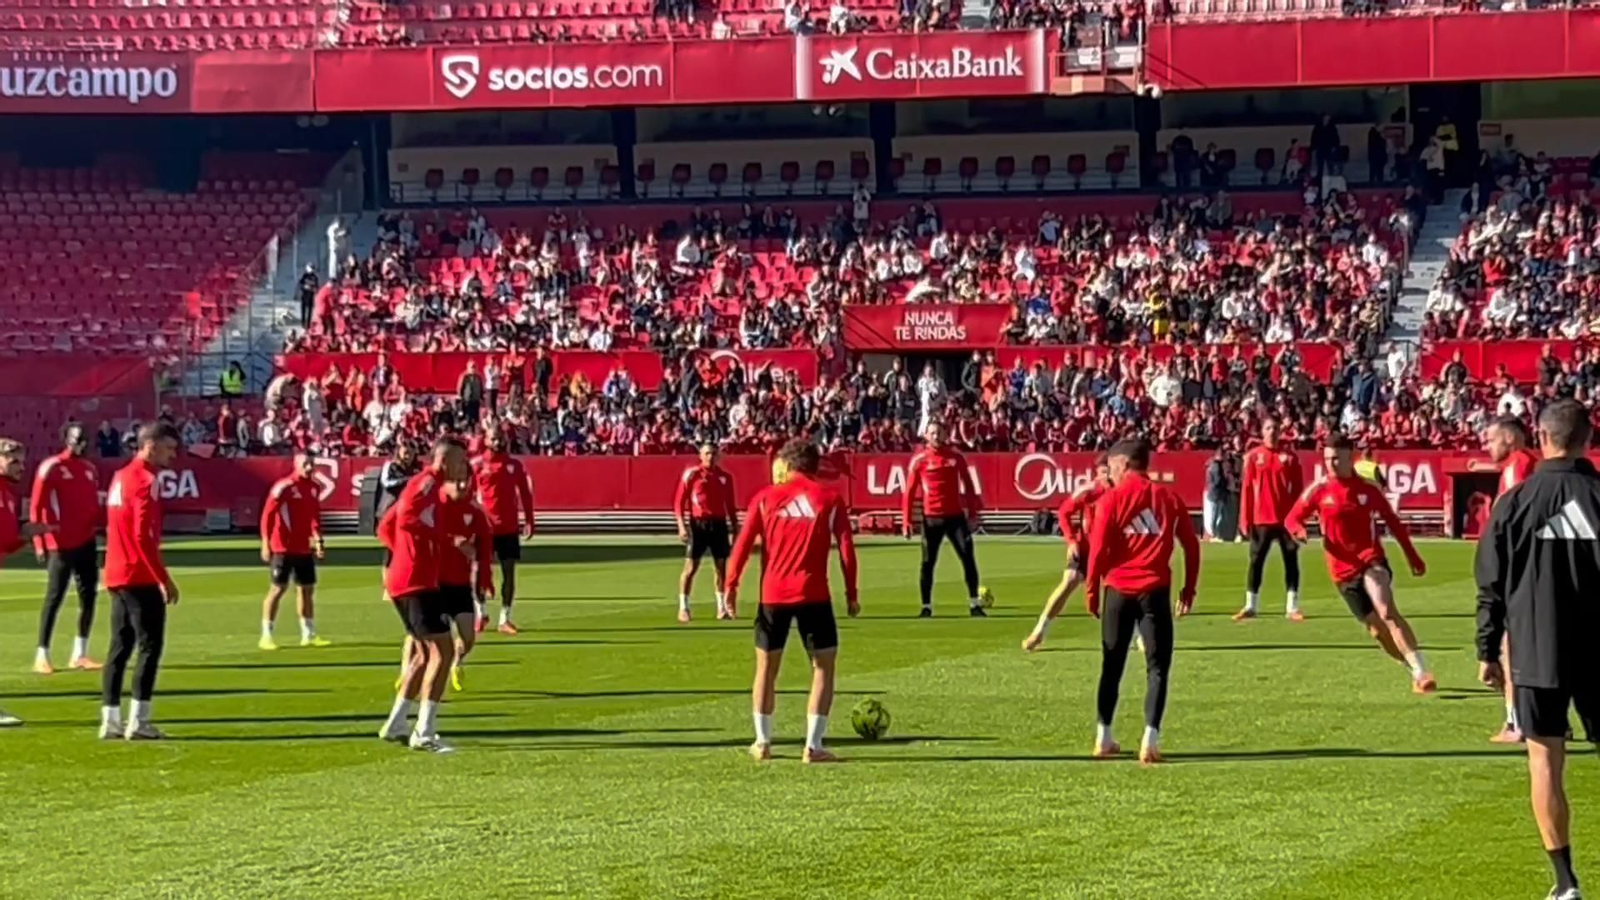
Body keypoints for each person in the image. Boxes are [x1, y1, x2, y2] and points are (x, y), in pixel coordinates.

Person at [1475, 399, 1600, 900]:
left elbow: (1490, 582)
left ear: (1542, 439)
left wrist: (1487, 649)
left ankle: (1565, 882)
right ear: (1588, 441)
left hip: (1534, 652)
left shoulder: (1514, 502)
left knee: (1544, 762)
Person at [724, 439, 859, 763]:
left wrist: (730, 586)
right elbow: (846, 551)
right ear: (815, 466)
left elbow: (741, 546)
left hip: (772, 595)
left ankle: (762, 742)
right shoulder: (830, 499)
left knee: (766, 668)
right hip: (814, 594)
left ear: (787, 464)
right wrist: (851, 592)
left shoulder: (765, 498)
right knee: (823, 666)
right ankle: (813, 746)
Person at [1285, 436, 1435, 694]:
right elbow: (1291, 518)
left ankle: (1422, 670)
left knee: (1386, 610)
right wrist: (1299, 530)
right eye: (1328, 458)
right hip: (1341, 570)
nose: (1332, 463)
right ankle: (1410, 667)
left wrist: (1412, 556)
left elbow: (1393, 523)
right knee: (1376, 630)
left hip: (1370, 559)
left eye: (1337, 458)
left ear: (1350, 456)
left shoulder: (1368, 489)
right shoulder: (1319, 489)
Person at [1084, 438, 1200, 765]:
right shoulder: (1168, 498)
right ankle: (1150, 738)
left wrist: (1091, 590)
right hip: (1155, 591)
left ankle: (1103, 737)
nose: (1111, 473)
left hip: (1118, 591)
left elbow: (1097, 551)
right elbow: (1191, 545)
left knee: (1112, 665)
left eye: (1113, 467)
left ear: (1124, 464)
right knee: (1158, 667)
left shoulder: (1112, 499)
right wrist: (1188, 590)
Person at [378, 436, 471, 753]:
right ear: (445, 461)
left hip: (404, 578)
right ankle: (424, 733)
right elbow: (405, 520)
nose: (463, 468)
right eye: (460, 461)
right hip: (417, 581)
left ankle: (396, 723)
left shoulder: (420, 486)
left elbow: (386, 526)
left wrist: (403, 555)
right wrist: (438, 541)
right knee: (442, 653)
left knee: (421, 654)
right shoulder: (429, 484)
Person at [100, 423, 182, 741]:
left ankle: (110, 720)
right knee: (150, 646)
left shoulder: (120, 476)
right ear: (150, 446)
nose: (172, 455)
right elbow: (142, 536)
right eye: (168, 448)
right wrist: (164, 579)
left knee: (119, 647)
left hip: (116, 572)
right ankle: (140, 720)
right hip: (139, 574)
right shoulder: (147, 481)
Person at [1485, 415, 1544, 744]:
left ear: (1509, 439)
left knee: (1511, 644)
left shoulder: (1517, 466)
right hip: (1536, 569)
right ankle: (1553, 721)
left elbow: (1510, 520)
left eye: (1491, 439)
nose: (1487, 445)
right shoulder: (1532, 464)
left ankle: (1515, 721)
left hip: (1519, 571)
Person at [29, 422, 102, 674]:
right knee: (54, 597)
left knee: (89, 596)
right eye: (76, 439)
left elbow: (91, 505)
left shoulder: (90, 469)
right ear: (66, 439)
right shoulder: (51, 467)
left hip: (86, 541)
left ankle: (80, 653)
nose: (80, 444)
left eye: (84, 439)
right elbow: (36, 507)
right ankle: (42, 654)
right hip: (59, 544)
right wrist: (39, 542)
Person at [1023, 456, 1109, 652]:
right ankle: (1039, 631)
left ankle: (1139, 635)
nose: (1108, 477)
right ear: (1098, 473)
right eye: (1104, 472)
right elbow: (1064, 512)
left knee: (1124, 591)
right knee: (1069, 581)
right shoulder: (1089, 491)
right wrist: (1071, 541)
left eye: (1110, 472)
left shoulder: (1120, 492)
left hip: (1109, 551)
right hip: (1086, 549)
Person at [902, 421, 986, 618]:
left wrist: (973, 513)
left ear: (946, 434)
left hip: (955, 517)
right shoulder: (920, 460)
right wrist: (906, 521)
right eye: (933, 433)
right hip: (931, 519)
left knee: (968, 558)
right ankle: (926, 606)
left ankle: (974, 604)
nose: (936, 436)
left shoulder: (956, 457)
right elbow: (909, 492)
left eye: (940, 432)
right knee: (927, 562)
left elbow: (969, 485)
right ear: (926, 436)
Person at [0, 437, 57, 726]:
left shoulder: (8, 493)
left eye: (22, 460)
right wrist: (29, 533)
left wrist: (28, 531)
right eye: (14, 460)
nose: (21, 467)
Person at [1234, 419, 1306, 622]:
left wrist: (1298, 520)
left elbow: (1299, 492)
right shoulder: (1254, 456)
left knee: (1291, 562)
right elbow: (1247, 489)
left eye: (1275, 428)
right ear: (1262, 432)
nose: (1272, 432)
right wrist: (1244, 520)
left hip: (1286, 521)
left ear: (1280, 431)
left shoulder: (1290, 457)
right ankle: (1250, 606)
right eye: (1268, 428)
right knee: (1256, 562)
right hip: (1261, 519)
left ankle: (1292, 607)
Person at [257, 451, 329, 651]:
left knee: (306, 589)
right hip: (282, 547)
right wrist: (265, 542)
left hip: (303, 548)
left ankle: (309, 633)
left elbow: (314, 516)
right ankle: (266, 635)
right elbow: (267, 515)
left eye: (312, 463)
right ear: (296, 465)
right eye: (305, 463)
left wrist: (318, 539)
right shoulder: (284, 487)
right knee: (278, 589)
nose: (309, 467)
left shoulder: (314, 487)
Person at [472, 427, 534, 634]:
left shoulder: (514, 465)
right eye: (494, 438)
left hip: (508, 527)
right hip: (484, 528)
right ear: (486, 440)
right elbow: (466, 496)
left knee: (508, 573)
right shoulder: (477, 465)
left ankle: (504, 619)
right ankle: (481, 613)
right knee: (476, 573)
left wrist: (529, 520)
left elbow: (525, 493)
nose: (498, 442)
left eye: (501, 438)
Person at [435, 474, 493, 692]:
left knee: (468, 638)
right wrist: (452, 540)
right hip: (435, 583)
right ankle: (410, 674)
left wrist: (485, 578)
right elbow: (421, 534)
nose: (461, 486)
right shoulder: (435, 507)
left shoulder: (474, 511)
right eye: (456, 481)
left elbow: (485, 546)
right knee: (428, 641)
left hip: (460, 584)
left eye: (465, 481)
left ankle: (456, 664)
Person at [673, 442, 738, 623]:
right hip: (698, 525)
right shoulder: (692, 475)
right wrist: (681, 525)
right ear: (701, 456)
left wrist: (735, 527)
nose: (710, 457)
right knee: (691, 568)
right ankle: (683, 607)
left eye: (713, 454)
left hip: (719, 524)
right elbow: (679, 502)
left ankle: (721, 607)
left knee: (721, 568)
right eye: (707, 453)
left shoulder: (725, 477)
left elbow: (730, 505)